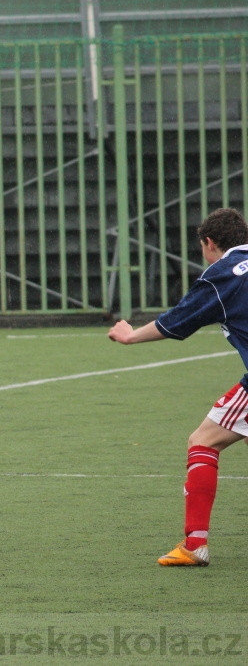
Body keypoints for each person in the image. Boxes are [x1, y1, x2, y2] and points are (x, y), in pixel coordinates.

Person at [108, 207, 248, 566]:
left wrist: (130, 336)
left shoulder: (224, 276)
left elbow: (177, 322)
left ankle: (195, 545)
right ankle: (194, 543)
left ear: (209, 243)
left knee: (203, 442)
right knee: (205, 437)